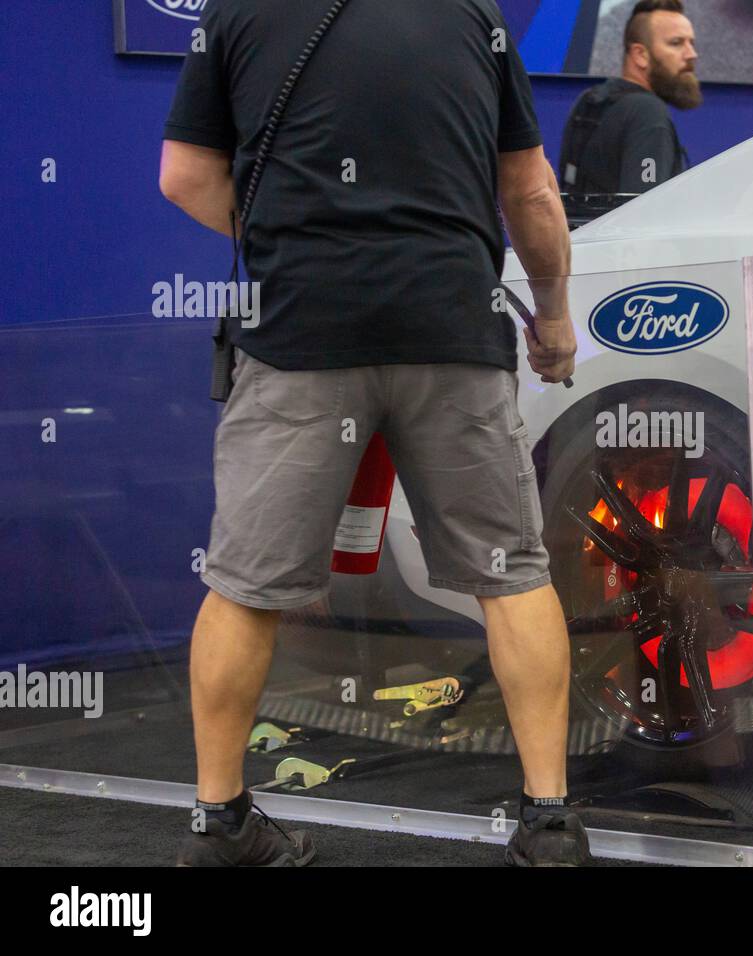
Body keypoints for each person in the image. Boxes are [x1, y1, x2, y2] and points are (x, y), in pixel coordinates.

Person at [159, 0, 586, 866]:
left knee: (244, 588)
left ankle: (221, 825)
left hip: (301, 335)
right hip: (450, 328)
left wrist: (296, 235)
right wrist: (553, 316)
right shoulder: (473, 15)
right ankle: (549, 825)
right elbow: (531, 189)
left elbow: (184, 176)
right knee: (512, 576)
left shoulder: (238, 11)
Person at [558, 0, 699, 196]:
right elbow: (644, 212)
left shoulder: (588, 100)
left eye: (691, 43)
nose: (691, 54)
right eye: (676, 43)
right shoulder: (648, 113)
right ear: (640, 55)